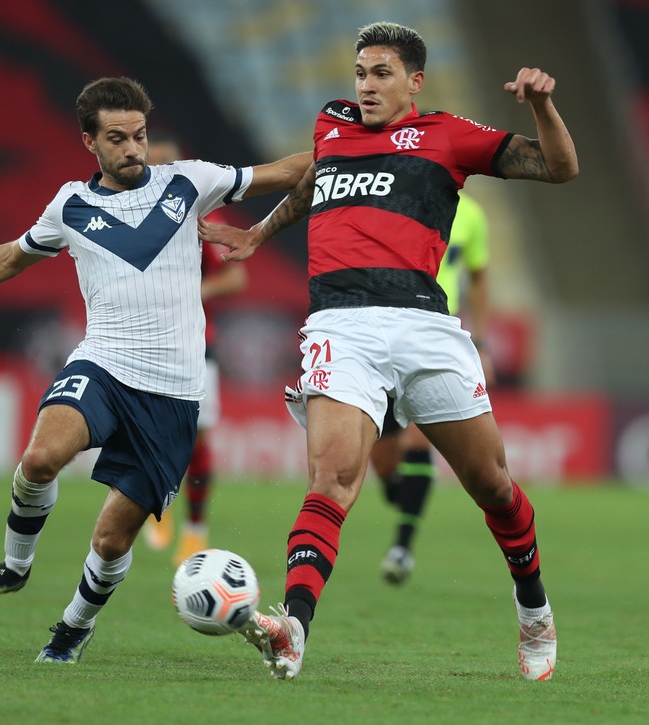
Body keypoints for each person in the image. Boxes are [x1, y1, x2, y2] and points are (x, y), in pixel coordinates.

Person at [0, 76, 311, 664]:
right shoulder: (70, 206)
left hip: (173, 395)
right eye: (117, 138)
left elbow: (289, 171)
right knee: (39, 459)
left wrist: (351, 150)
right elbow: (9, 258)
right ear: (89, 141)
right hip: (103, 364)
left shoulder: (190, 182)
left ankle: (74, 626)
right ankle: (13, 567)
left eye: (139, 135)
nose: (133, 149)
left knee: (110, 540)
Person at [199, 22, 578, 681]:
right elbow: (314, 182)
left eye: (381, 74)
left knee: (492, 483)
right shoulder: (333, 127)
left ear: (414, 81)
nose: (366, 86)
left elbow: (559, 166)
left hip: (423, 325)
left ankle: (534, 607)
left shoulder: (448, 135)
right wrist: (259, 232)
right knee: (333, 479)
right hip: (340, 326)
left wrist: (542, 105)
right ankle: (293, 629)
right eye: (360, 73)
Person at [371, 190, 496, 584]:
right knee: (385, 464)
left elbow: (478, 279)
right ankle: (407, 492)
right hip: (387, 330)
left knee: (418, 440)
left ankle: (401, 548)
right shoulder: (400, 195)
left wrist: (482, 343)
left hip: (438, 333)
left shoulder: (472, 215)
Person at [141, 135, 248, 566]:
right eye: (153, 164)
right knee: (150, 433)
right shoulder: (126, 218)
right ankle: (158, 506)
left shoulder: (197, 219)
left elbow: (235, 278)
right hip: (145, 343)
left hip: (196, 344)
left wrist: (190, 294)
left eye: (167, 164)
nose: (160, 172)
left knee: (198, 436)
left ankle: (195, 529)